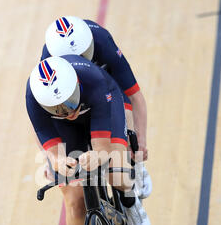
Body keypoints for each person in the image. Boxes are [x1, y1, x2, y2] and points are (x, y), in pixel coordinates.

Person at [26, 55, 151, 225]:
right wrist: (57, 162)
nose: (68, 110)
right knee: (73, 201)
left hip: (102, 107)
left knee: (114, 169)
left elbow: (103, 150)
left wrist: (97, 155)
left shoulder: (92, 80)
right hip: (63, 130)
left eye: (69, 101)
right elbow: (47, 142)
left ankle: (130, 200)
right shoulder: (34, 98)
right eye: (59, 107)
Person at [42, 15, 152, 199]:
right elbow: (41, 115)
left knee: (121, 142)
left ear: (90, 44)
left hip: (108, 92)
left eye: (85, 55)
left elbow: (133, 94)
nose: (81, 64)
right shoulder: (48, 64)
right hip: (73, 104)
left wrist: (140, 140)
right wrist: (51, 157)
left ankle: (133, 172)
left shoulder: (102, 42)